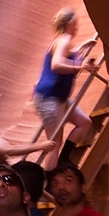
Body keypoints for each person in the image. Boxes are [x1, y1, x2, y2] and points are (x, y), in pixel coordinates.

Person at [33, 9, 96, 168]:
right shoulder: (64, 40)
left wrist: (82, 46)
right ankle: (49, 183)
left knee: (84, 122)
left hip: (58, 98)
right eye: (75, 24)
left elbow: (68, 56)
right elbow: (57, 65)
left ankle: (64, 160)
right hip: (49, 97)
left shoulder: (63, 41)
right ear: (69, 24)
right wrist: (82, 66)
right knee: (54, 143)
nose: (77, 27)